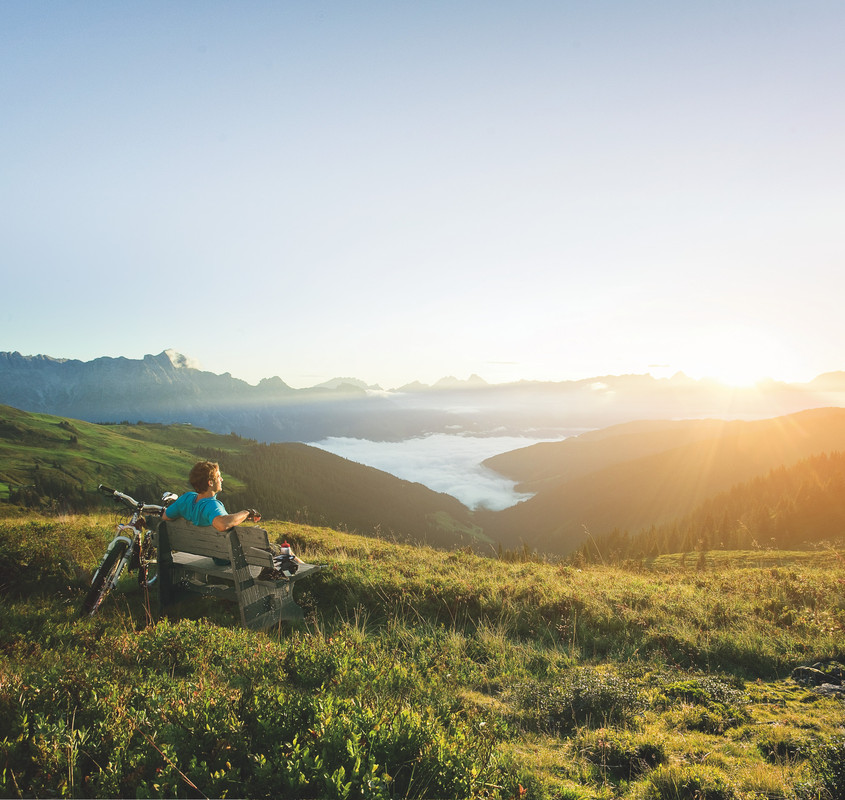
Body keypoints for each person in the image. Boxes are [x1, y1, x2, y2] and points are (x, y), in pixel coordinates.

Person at [162, 460, 261, 531]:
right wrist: (247, 512)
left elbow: (166, 516)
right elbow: (222, 524)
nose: (221, 479)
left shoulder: (186, 498)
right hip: (223, 558)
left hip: (198, 551)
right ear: (210, 483)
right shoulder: (212, 505)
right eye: (218, 477)